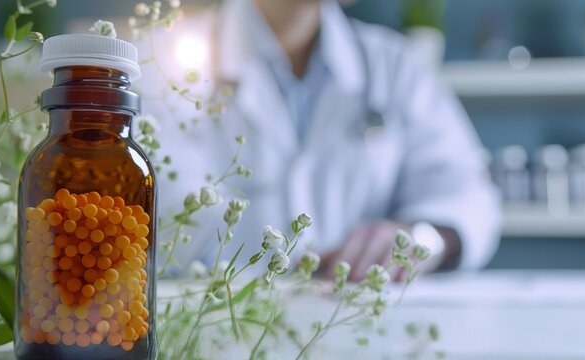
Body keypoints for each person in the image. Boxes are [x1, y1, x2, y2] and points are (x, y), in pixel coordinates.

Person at [135, 0, 501, 280]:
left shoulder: (393, 65)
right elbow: (164, 225)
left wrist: (421, 239)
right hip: (218, 332)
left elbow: (468, 194)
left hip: (357, 329)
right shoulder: (160, 64)